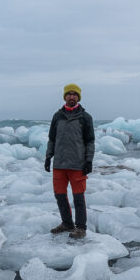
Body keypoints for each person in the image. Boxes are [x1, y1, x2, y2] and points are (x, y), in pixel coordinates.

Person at [44, 83, 95, 239]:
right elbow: (52, 139)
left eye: (74, 94)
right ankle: (67, 223)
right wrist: (48, 157)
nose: (71, 96)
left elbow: (90, 141)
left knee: (78, 197)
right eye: (69, 94)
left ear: (78, 97)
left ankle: (81, 228)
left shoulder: (85, 117)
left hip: (77, 165)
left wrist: (88, 160)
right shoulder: (57, 116)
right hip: (59, 164)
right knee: (60, 196)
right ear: (65, 97)